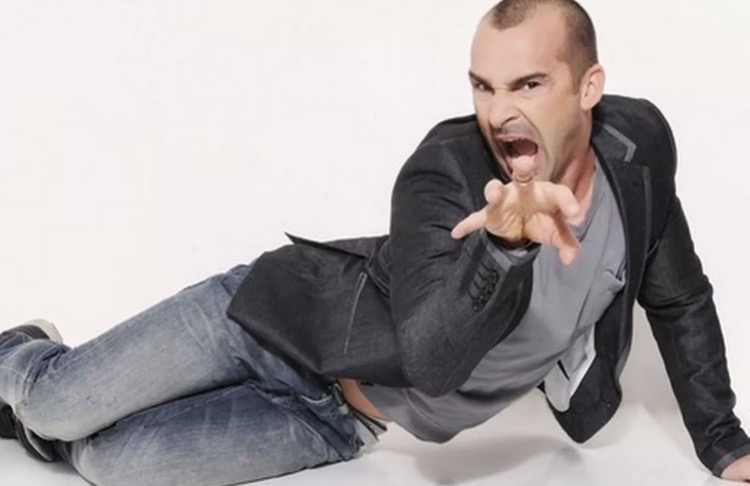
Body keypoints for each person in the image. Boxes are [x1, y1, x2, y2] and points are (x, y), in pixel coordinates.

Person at [1, 0, 749, 484]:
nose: (498, 112)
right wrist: (500, 248)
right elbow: (430, 361)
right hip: (264, 323)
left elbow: (680, 299)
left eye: (527, 85)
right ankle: (25, 355)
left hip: (339, 418)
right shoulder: (445, 171)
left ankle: (29, 420)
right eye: (483, 86)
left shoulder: (637, 153)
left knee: (107, 464)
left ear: (588, 88)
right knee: (60, 405)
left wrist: (725, 444)